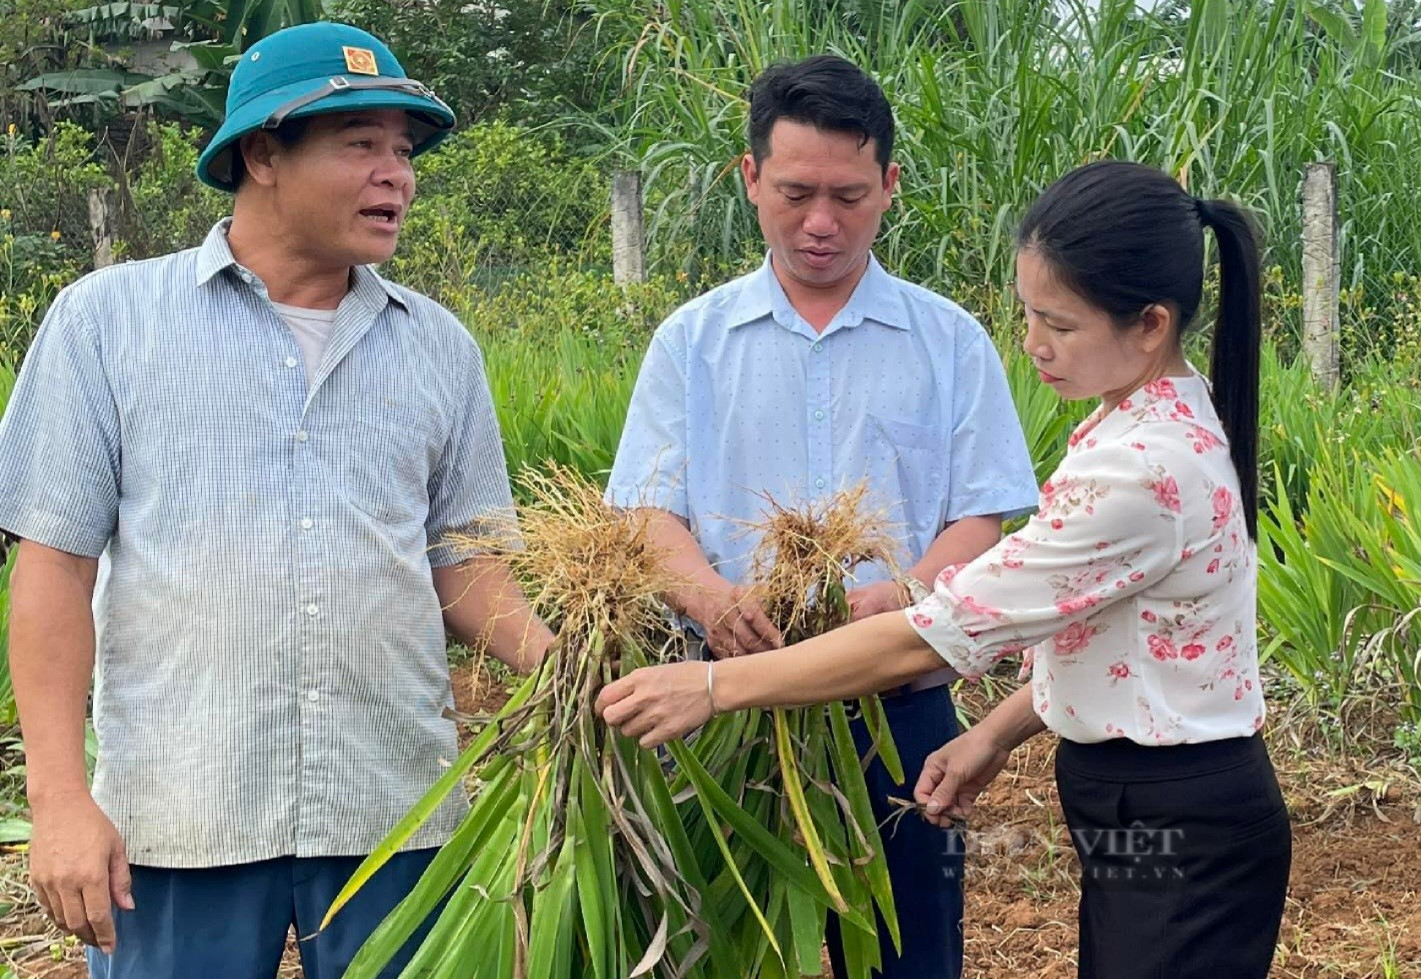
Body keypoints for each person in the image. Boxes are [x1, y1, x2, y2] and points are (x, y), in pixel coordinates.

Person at [600, 160, 1292, 979]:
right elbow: (1111, 633)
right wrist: (994, 734)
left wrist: (713, 687)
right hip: (1153, 799)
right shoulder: (1149, 415)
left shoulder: (1140, 469)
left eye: (1059, 326)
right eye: (1029, 315)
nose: (1034, 345)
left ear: (1149, 324)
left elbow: (931, 635)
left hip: (1177, 814)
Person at [0, 22, 552, 979]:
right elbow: (53, 564)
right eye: (361, 145)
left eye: (404, 150)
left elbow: (463, 563)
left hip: (391, 809)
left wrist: (563, 662)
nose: (397, 175)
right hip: (181, 816)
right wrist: (59, 800)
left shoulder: (438, 347)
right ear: (262, 154)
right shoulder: (108, 324)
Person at [603, 55, 1037, 979]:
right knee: (732, 953)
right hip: (725, 710)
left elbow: (981, 519)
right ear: (750, 177)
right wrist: (715, 601)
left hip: (899, 716)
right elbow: (647, 512)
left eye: (848, 194)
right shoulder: (693, 341)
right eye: (796, 192)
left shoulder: (948, 340)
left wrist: (903, 595)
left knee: (910, 952)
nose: (821, 222)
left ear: (890, 186)